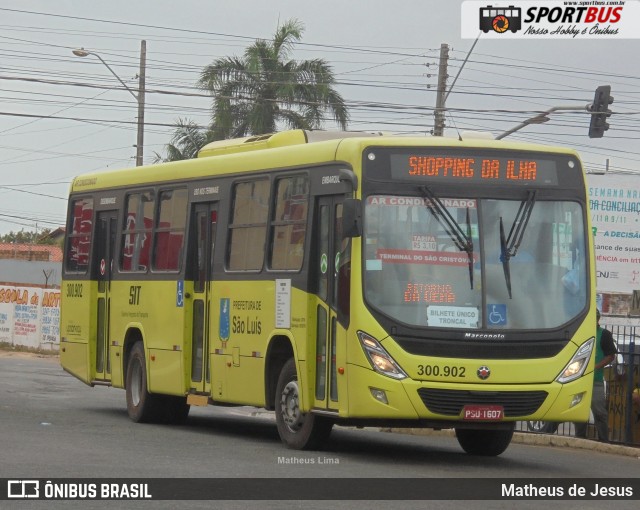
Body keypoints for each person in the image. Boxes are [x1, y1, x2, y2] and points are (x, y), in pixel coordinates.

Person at [575, 309, 617, 442]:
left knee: (599, 413)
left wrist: (595, 367)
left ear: (597, 319)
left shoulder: (604, 335)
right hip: (579, 379)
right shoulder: (581, 334)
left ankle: (604, 440)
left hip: (595, 380)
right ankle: (580, 437)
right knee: (578, 412)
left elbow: (610, 356)